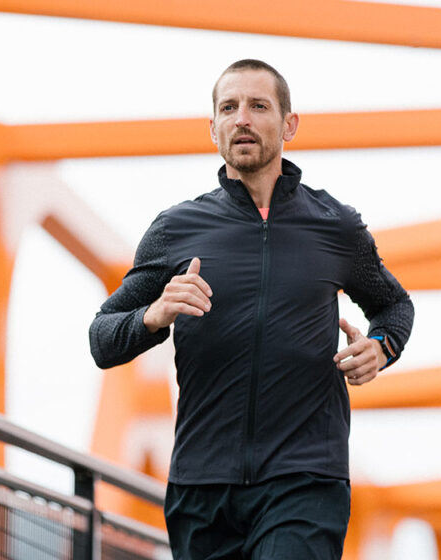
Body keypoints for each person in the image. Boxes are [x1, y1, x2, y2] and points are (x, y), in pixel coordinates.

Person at [89, 59, 414, 559]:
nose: (241, 118)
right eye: (229, 108)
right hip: (202, 485)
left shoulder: (336, 227)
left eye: (258, 106)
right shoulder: (176, 229)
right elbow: (102, 338)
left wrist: (381, 346)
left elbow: (394, 305)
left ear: (289, 124)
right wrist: (154, 314)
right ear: (213, 128)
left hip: (305, 480)